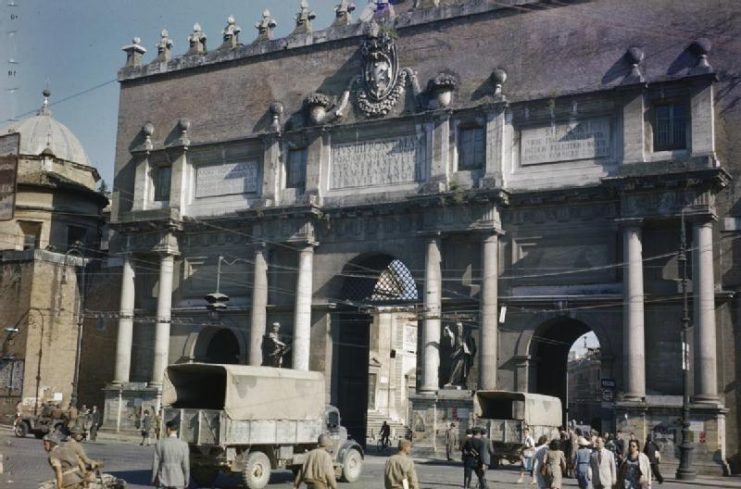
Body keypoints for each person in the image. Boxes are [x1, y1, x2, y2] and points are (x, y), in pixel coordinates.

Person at [151, 421, 190, 489]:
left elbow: (155, 463)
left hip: (163, 478)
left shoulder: (160, 443)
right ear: (177, 430)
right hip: (178, 479)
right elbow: (186, 465)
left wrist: (153, 478)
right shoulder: (184, 445)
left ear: (168, 429)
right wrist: (186, 479)